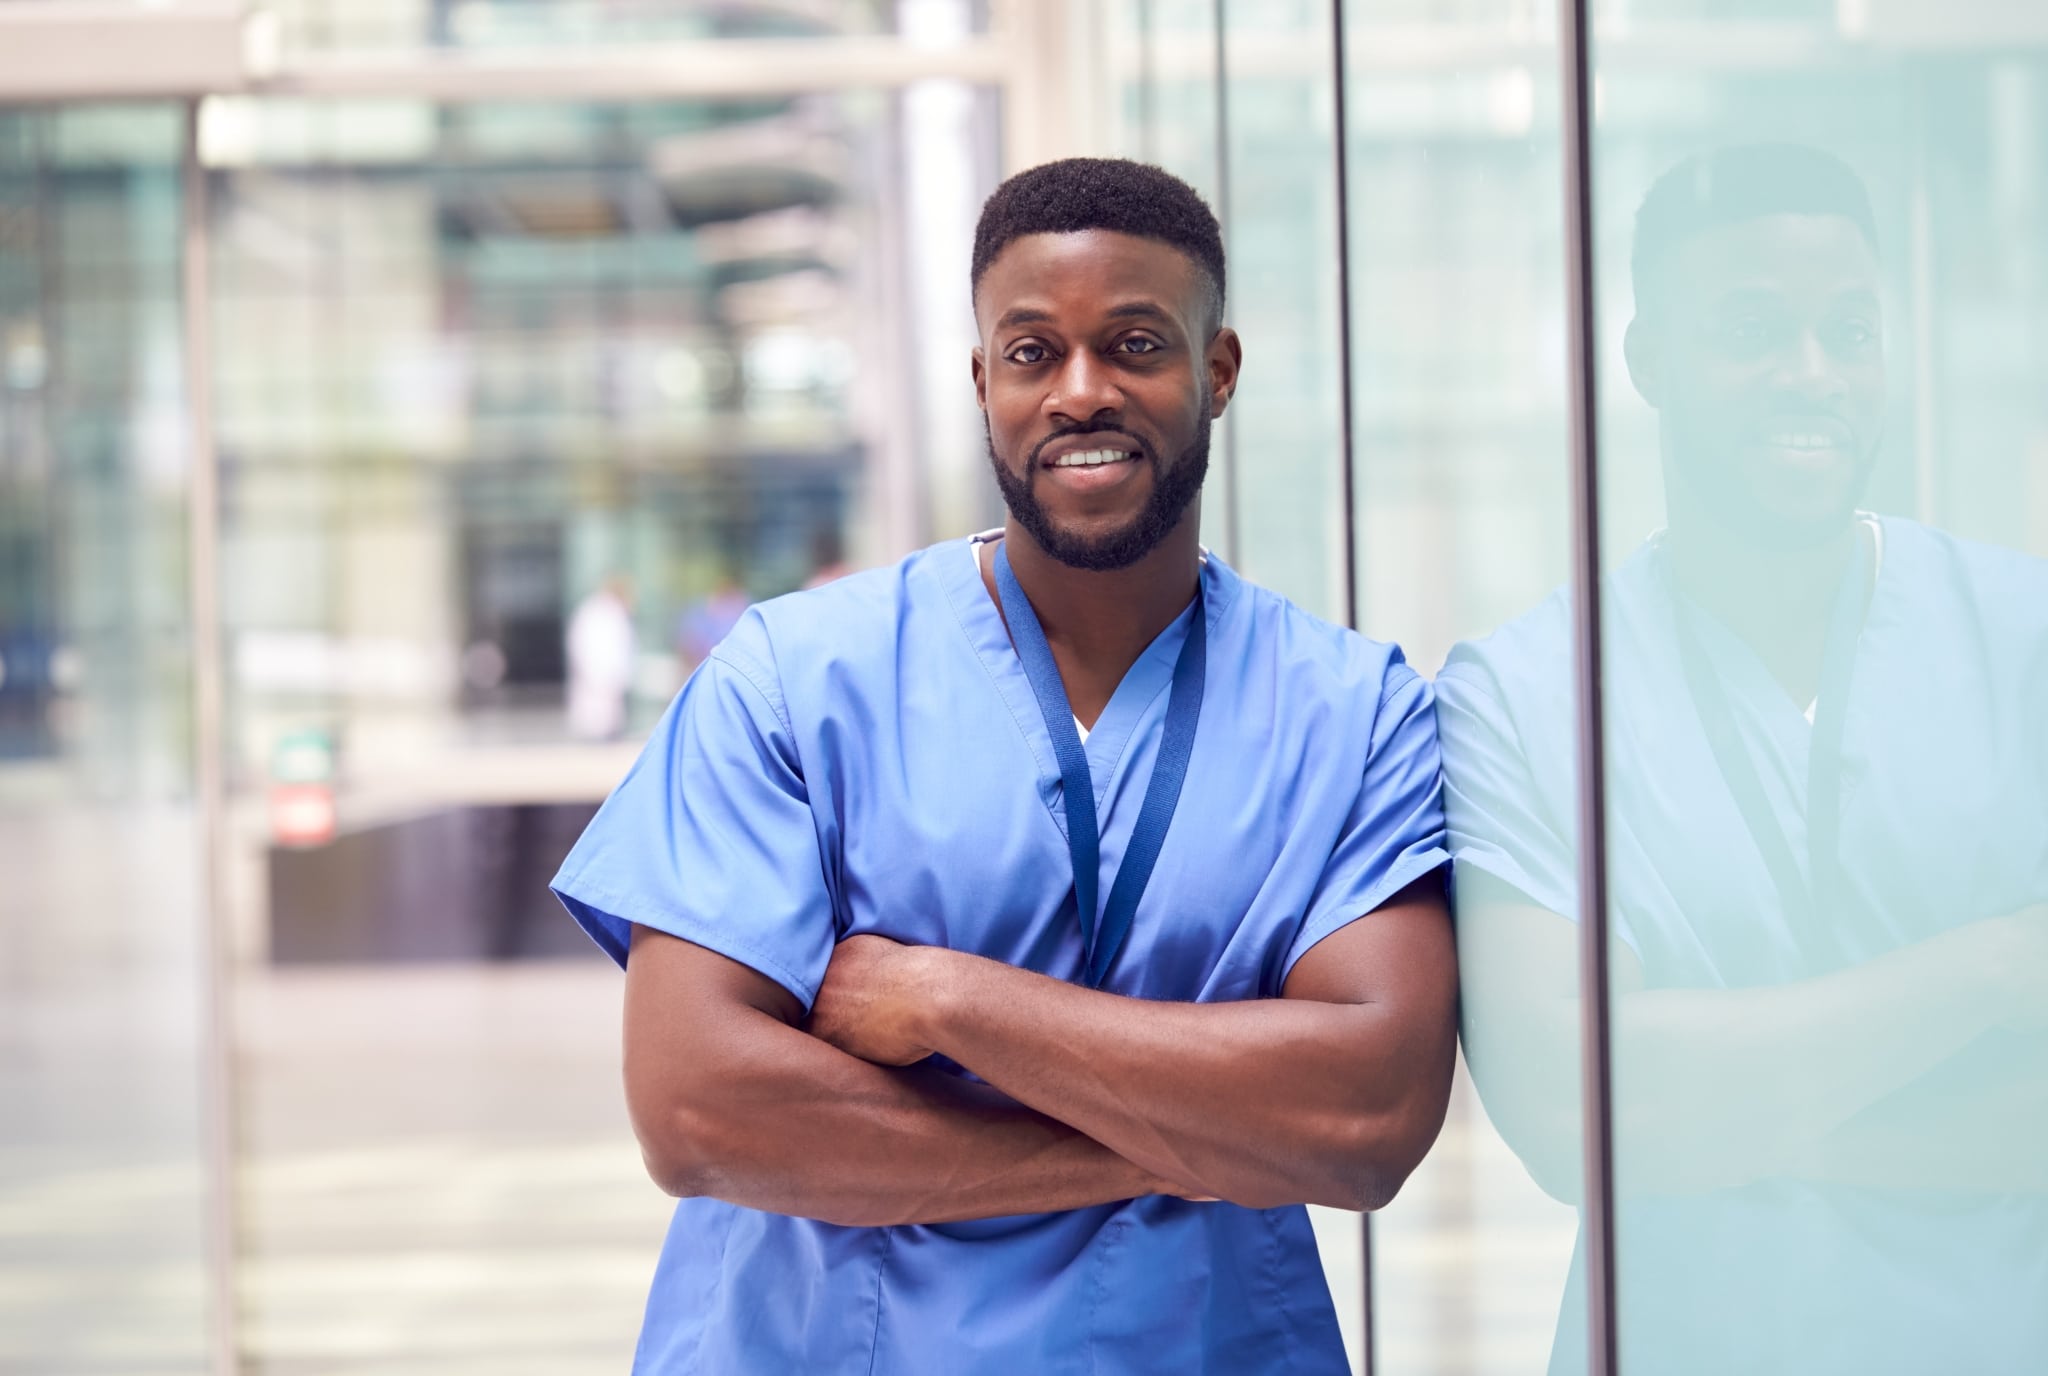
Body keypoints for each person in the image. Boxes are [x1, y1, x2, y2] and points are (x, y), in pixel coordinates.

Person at [550, 158, 1458, 1374]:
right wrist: (1168, 1140)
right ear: (983, 382)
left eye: (1134, 343)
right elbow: (699, 1108)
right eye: (1031, 353)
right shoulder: (796, 679)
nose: (1081, 391)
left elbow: (1367, 1113)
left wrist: (944, 999)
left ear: (1216, 370)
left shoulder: (1352, 711)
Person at [1436, 144, 2048, 1375]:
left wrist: (1711, 1102)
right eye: (1754, 330)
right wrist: (1990, 968)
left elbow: (1638, 1103)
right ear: (1646, 361)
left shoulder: (2019, 638)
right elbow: (1573, 1116)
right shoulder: (1523, 692)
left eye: (1849, 332)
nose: (1810, 375)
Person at [564, 573, 635, 741]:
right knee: (597, 720)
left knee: (608, 720)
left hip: (607, 677)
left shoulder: (611, 612)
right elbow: (585, 647)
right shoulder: (596, 612)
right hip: (597, 676)